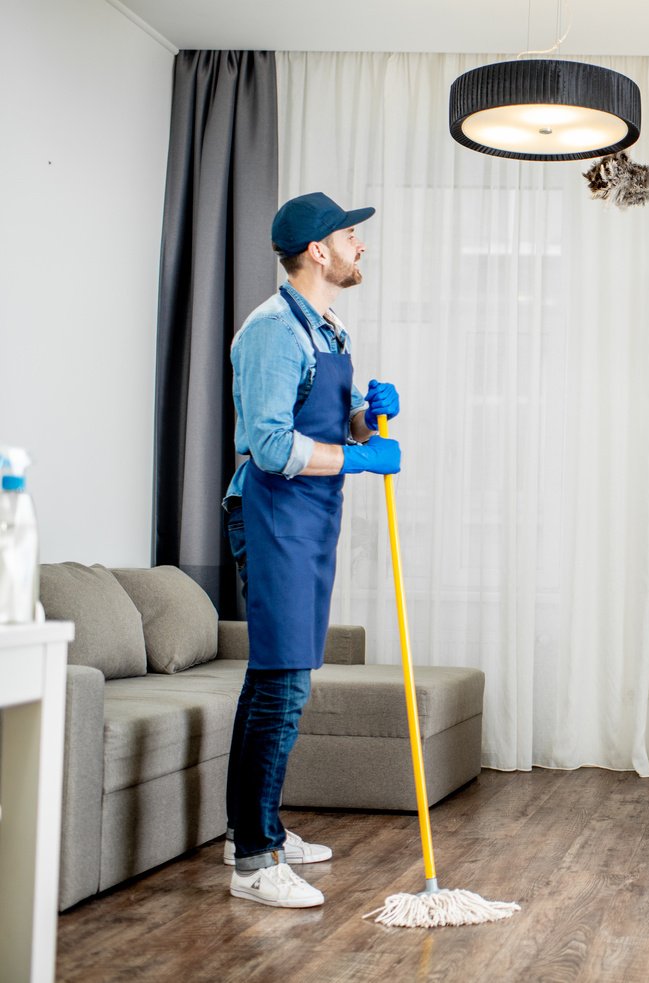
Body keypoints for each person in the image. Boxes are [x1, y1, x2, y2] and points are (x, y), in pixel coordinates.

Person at [220, 192, 402, 908]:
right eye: (351, 235)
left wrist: (365, 418)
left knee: (278, 680)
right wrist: (358, 460)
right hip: (271, 515)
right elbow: (268, 444)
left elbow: (323, 422)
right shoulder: (272, 331)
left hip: (308, 519)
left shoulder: (325, 329)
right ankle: (256, 860)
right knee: (283, 682)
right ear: (318, 251)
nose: (361, 245)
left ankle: (252, 830)